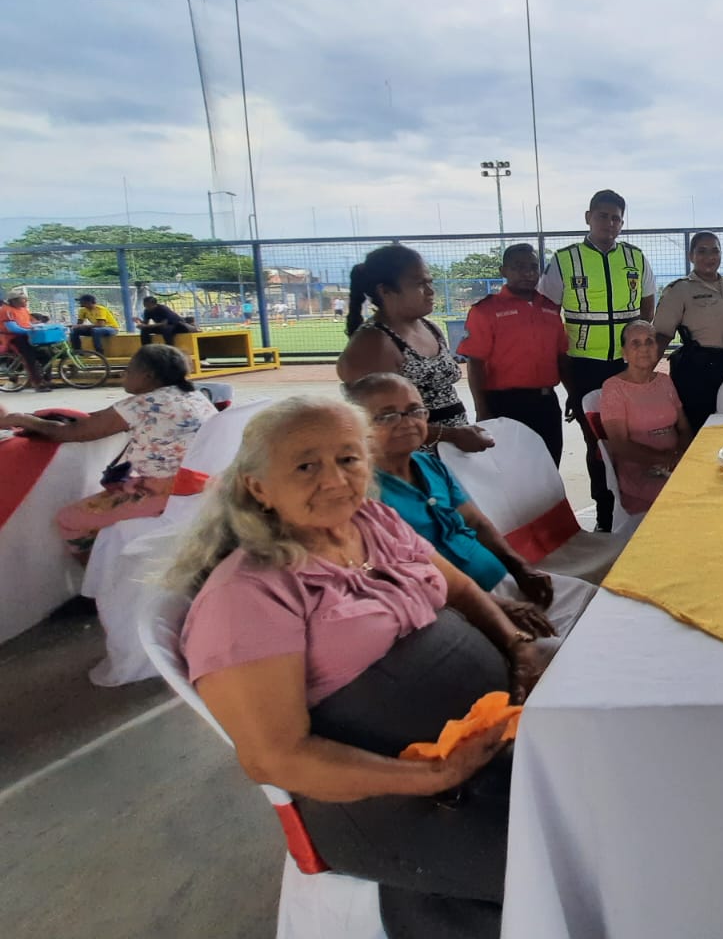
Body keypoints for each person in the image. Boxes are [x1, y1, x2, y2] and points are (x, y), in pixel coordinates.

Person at [169, 397, 543, 939]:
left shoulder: (372, 521)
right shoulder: (246, 597)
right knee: (569, 863)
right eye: (306, 465)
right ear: (258, 487)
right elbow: (276, 757)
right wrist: (437, 775)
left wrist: (514, 646)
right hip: (395, 804)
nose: (335, 479)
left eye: (348, 459)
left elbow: (460, 588)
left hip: (490, 747)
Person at [348, 373, 594, 635]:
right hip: (455, 612)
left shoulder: (428, 465)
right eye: (388, 415)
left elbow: (475, 521)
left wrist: (521, 568)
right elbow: (404, 579)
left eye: (415, 410)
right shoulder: (362, 493)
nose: (407, 422)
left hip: (502, 583)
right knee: (566, 647)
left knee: (595, 601)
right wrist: (496, 608)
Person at [1, 344, 215, 560]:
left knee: (69, 519)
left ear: (148, 376)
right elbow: (101, 418)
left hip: (163, 493)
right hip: (201, 487)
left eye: (129, 370)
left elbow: (72, 433)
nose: (124, 375)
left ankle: (97, 576)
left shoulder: (143, 404)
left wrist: (23, 420)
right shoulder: (194, 396)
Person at [538, 189, 656, 533]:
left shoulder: (636, 257)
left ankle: (638, 512)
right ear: (588, 217)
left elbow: (647, 304)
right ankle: (605, 519)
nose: (609, 223)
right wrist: (567, 380)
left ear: (622, 222)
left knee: (636, 437)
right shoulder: (565, 259)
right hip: (585, 367)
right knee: (597, 445)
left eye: (616, 218)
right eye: (603, 216)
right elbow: (548, 314)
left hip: (628, 367)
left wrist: (639, 351)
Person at [337, 243, 492, 453]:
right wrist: (451, 435)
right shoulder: (373, 343)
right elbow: (377, 423)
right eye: (419, 284)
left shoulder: (430, 328)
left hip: (451, 454)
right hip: (411, 460)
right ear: (385, 291)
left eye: (430, 282)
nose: (430, 291)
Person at [459, 243, 568, 463]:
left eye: (533, 267)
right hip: (504, 404)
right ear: (503, 271)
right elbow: (475, 363)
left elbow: (561, 356)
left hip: (546, 403)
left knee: (548, 467)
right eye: (518, 267)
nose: (528, 273)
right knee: (512, 470)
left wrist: (572, 394)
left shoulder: (550, 308)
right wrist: (482, 409)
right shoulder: (485, 310)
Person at [654, 231, 723, 430]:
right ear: (691, 256)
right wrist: (642, 378)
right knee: (703, 428)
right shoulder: (679, 291)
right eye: (702, 251)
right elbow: (661, 336)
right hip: (701, 372)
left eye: (715, 251)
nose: (709, 256)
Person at [600, 320, 692, 516]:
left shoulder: (664, 381)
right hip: (640, 474)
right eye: (635, 343)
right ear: (624, 352)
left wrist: (680, 455)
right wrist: (665, 459)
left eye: (649, 341)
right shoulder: (613, 388)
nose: (644, 348)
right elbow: (620, 445)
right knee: (690, 494)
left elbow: (684, 427)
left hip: (675, 466)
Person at [1, 288, 52, 391]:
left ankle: (47, 380)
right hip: (14, 337)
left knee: (46, 355)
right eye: (23, 299)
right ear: (14, 300)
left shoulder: (23, 309)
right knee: (30, 359)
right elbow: (13, 329)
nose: (26, 301)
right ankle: (38, 384)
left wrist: (37, 326)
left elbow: (28, 323)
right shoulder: (6, 310)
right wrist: (30, 330)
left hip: (27, 335)